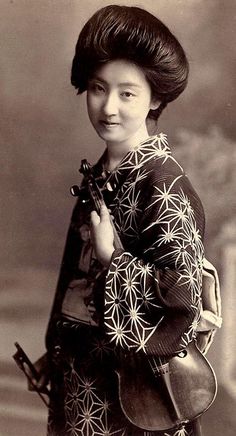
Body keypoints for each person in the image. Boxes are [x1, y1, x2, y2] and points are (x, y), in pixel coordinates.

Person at [30, 5, 212, 436]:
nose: (108, 107)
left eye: (127, 93)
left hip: (130, 392)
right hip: (78, 374)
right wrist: (52, 351)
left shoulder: (164, 185)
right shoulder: (100, 174)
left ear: (157, 97)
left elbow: (183, 297)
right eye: (97, 88)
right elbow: (76, 279)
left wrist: (114, 258)